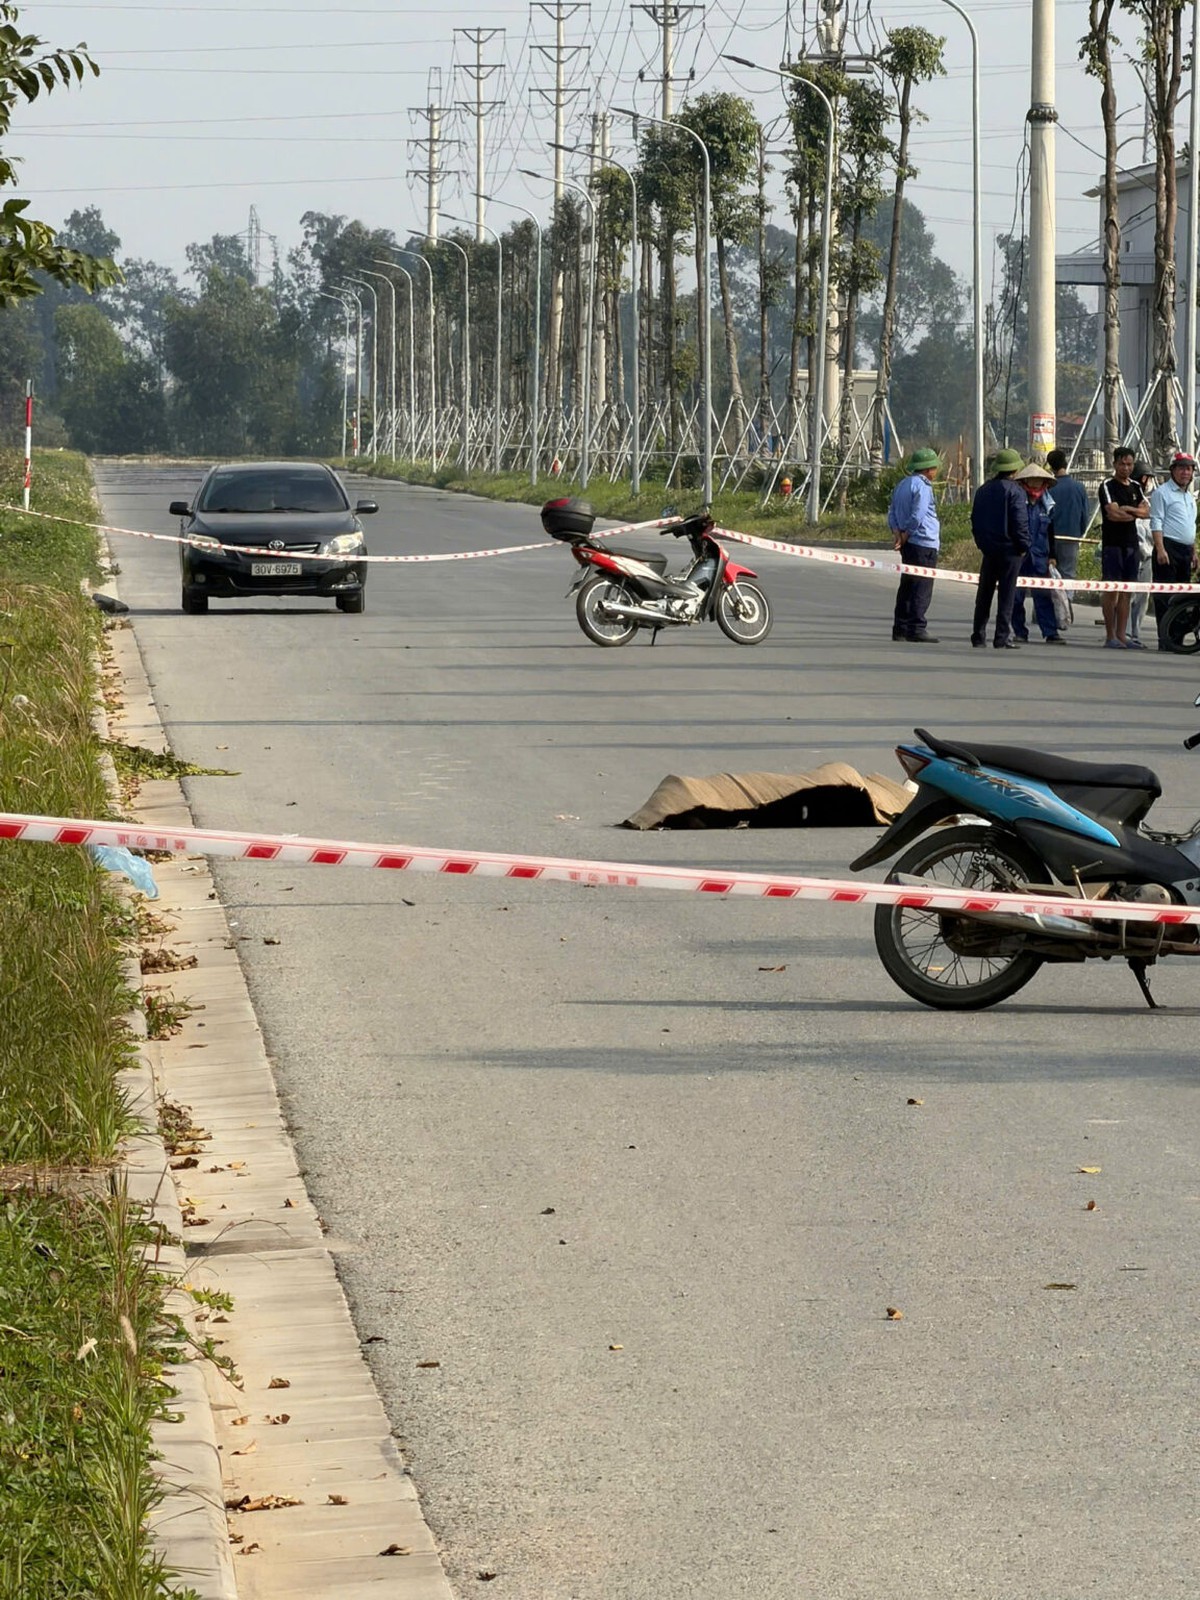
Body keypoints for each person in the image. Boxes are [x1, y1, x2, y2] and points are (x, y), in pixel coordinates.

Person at [970, 447, 1029, 649]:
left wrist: (982, 544)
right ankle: (1001, 636)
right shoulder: (1016, 492)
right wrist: (1023, 546)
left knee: (984, 594)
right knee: (1007, 595)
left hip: (989, 550)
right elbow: (1020, 522)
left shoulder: (983, 490)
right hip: (1010, 551)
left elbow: (975, 521)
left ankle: (978, 635)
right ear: (1015, 469)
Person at [1098, 446, 1150, 649]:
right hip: (1112, 545)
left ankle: (1122, 634)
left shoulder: (1136, 486)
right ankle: (1110, 635)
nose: (1126, 468)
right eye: (1122, 464)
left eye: (1129, 464)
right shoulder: (1107, 485)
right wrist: (1132, 512)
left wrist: (1127, 509)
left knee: (1127, 591)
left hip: (1132, 544)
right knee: (1112, 590)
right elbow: (1112, 513)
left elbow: (1146, 512)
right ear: (1115, 464)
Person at [888, 447, 941, 643]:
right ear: (928, 469)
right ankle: (917, 627)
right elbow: (918, 515)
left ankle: (900, 628)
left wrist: (898, 534)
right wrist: (908, 533)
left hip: (907, 543)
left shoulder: (902, 484)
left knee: (907, 585)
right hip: (923, 542)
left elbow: (892, 511)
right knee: (922, 586)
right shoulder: (923, 487)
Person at [1149, 451, 1198, 649]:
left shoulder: (1189, 497)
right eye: (1181, 468)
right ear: (1173, 471)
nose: (1185, 473)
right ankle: (1165, 639)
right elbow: (1156, 521)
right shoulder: (1163, 493)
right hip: (1167, 548)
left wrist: (1194, 552)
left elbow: (1190, 526)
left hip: (1185, 550)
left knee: (1182, 595)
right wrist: (1160, 549)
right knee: (1164, 595)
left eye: (1189, 469)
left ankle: (1176, 638)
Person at [1011, 462, 1064, 643]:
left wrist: (1053, 556)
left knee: (1043, 597)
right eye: (1032, 480)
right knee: (1016, 597)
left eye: (1039, 481)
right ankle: (1019, 632)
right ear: (1025, 481)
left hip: (1040, 557)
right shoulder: (1017, 502)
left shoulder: (1047, 505)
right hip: (1019, 556)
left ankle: (1050, 632)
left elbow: (1051, 532)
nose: (1035, 484)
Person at [1046, 448, 1089, 584]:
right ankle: (1066, 603)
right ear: (1065, 463)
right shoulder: (1079, 487)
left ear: (1051, 467)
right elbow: (1085, 515)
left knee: (1048, 575)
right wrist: (1079, 533)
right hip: (1071, 536)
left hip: (1051, 538)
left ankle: (1048, 604)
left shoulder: (1048, 489)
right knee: (1068, 575)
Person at [1128, 462, 1156, 647]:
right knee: (1127, 595)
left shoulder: (1151, 502)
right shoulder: (1128, 497)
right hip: (1132, 554)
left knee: (1142, 596)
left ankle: (1135, 632)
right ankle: (1124, 632)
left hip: (1148, 555)